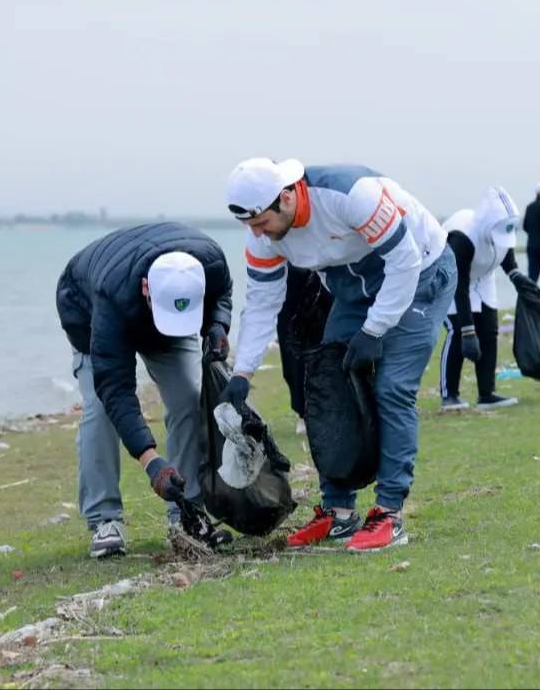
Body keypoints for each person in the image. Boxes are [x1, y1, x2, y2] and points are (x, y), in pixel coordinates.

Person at [223, 159, 456, 552]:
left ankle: (390, 515)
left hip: (421, 273)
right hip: (352, 285)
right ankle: (338, 513)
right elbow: (262, 302)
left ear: (286, 197)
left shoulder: (351, 195)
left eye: (261, 222)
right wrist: (242, 373)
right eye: (250, 225)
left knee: (392, 388)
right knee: (328, 385)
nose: (257, 233)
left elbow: (405, 260)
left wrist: (374, 329)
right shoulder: (262, 234)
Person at [56, 224, 234, 558]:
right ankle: (104, 519)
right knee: (101, 410)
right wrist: (151, 462)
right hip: (87, 310)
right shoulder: (110, 296)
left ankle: (186, 513)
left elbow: (221, 294)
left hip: (157, 308)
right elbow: (115, 389)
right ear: (146, 288)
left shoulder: (210, 263)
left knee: (189, 397)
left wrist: (217, 326)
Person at [439, 187, 524, 411]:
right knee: (457, 331)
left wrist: (518, 278)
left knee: (489, 330)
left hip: (483, 276)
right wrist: (468, 331)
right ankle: (450, 395)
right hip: (450, 279)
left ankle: (487, 394)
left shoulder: (503, 229)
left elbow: (506, 255)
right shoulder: (462, 238)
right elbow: (460, 286)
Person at [276, 266, 332, 435]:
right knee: (292, 360)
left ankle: (323, 409)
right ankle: (302, 412)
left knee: (322, 353)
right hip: (288, 292)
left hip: (320, 288)